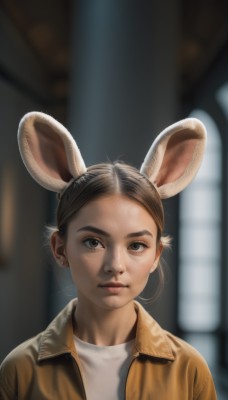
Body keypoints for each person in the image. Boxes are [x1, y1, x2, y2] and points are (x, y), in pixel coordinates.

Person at [0, 112, 217, 399]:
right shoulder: (19, 371)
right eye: (93, 242)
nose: (115, 265)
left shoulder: (190, 370)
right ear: (60, 248)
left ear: (156, 255)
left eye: (136, 245)